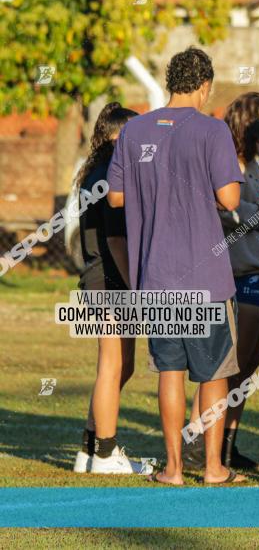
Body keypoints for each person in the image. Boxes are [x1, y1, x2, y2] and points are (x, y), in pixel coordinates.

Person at [107, 47, 246, 485]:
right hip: (206, 277)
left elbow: (115, 197)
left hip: (156, 275)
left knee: (170, 371)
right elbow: (230, 199)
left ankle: (171, 467)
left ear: (170, 83)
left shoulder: (134, 130)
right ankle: (212, 467)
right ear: (204, 86)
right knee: (212, 374)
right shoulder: (212, 130)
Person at [182, 92, 259, 470]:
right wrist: (258, 214)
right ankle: (196, 439)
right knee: (223, 367)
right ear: (242, 124)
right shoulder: (225, 162)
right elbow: (227, 210)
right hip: (232, 275)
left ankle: (226, 442)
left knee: (247, 372)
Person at [73, 102, 152, 476]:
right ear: (118, 136)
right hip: (109, 278)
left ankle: (89, 449)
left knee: (122, 364)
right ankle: (104, 455)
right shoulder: (111, 174)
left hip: (99, 277)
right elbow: (117, 239)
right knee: (112, 363)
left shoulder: (97, 171)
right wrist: (136, 287)